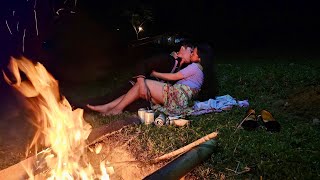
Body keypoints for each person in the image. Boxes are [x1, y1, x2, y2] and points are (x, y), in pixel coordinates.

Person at [86, 45, 205, 116]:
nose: (191, 55)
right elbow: (143, 64)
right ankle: (104, 107)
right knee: (105, 98)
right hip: (138, 84)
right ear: (182, 48)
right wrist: (141, 82)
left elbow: (174, 79)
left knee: (137, 104)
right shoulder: (168, 59)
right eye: (191, 51)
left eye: (193, 53)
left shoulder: (188, 67)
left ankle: (112, 108)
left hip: (156, 95)